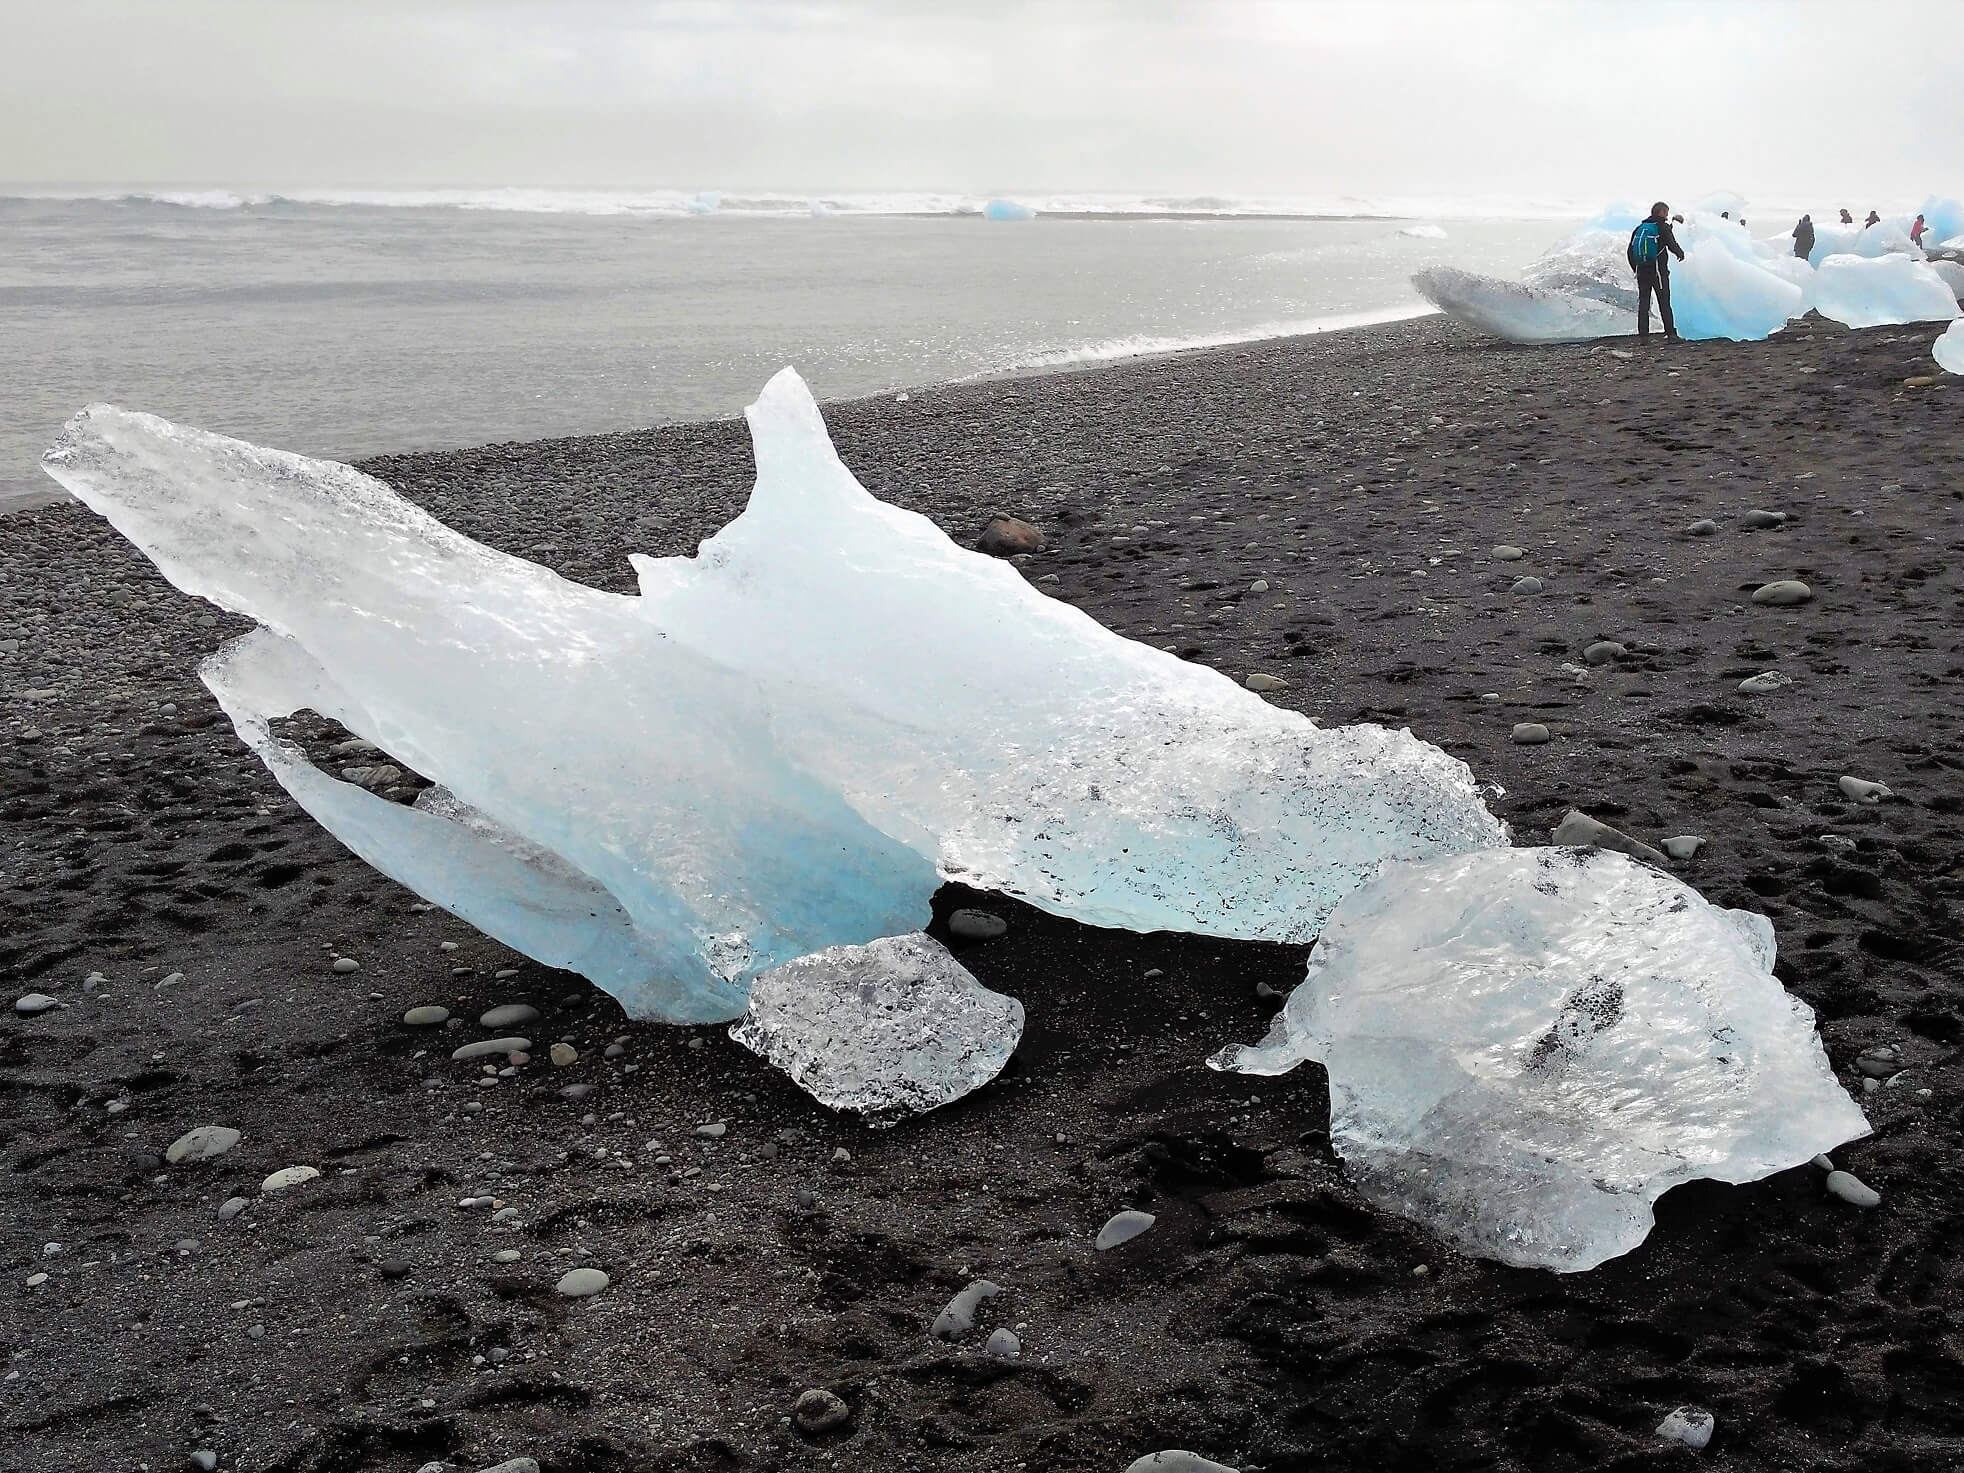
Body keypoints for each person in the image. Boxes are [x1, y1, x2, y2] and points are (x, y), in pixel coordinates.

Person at [1627, 201, 1686, 341]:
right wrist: (1680, 253)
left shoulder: (1639, 228)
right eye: (1666, 212)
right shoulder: (1662, 227)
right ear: (1660, 212)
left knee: (1644, 303)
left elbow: (1630, 250)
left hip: (1642, 271)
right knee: (1664, 302)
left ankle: (1643, 337)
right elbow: (1671, 244)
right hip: (1658, 272)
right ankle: (1671, 334)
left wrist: (1636, 268)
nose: (1667, 215)